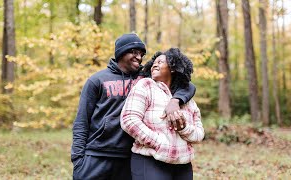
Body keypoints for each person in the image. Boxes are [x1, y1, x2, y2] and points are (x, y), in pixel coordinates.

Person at [71, 34, 196, 180]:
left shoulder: (146, 77)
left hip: (128, 156)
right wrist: (78, 160)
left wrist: (175, 101)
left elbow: (188, 86)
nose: (139, 57)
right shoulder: (97, 80)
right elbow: (81, 122)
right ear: (121, 53)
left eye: (141, 54)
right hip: (97, 154)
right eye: (134, 52)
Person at [120, 48, 205, 180]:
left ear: (172, 68)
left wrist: (183, 128)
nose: (155, 64)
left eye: (160, 62)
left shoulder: (187, 100)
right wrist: (159, 143)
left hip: (183, 164)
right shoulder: (145, 86)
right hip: (150, 160)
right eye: (154, 62)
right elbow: (129, 120)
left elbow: (199, 134)